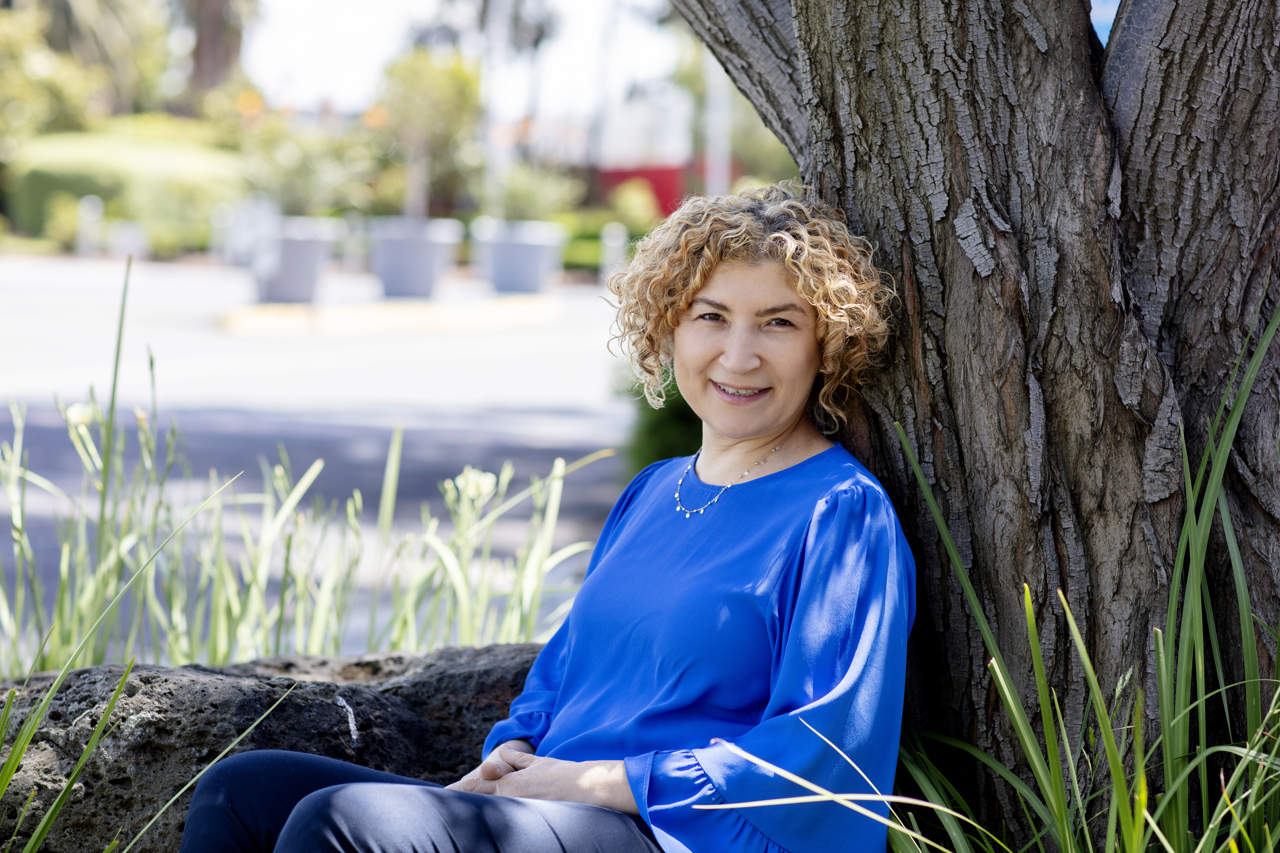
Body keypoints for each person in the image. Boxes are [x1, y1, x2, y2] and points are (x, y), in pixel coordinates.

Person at [179, 183, 915, 853]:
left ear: (828, 345)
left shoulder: (840, 514)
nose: (739, 353)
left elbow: (825, 754)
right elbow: (560, 677)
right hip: (553, 810)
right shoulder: (655, 492)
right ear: (668, 328)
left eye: (778, 323)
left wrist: (601, 782)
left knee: (337, 823)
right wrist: (511, 753)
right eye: (711, 316)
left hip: (672, 832)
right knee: (243, 789)